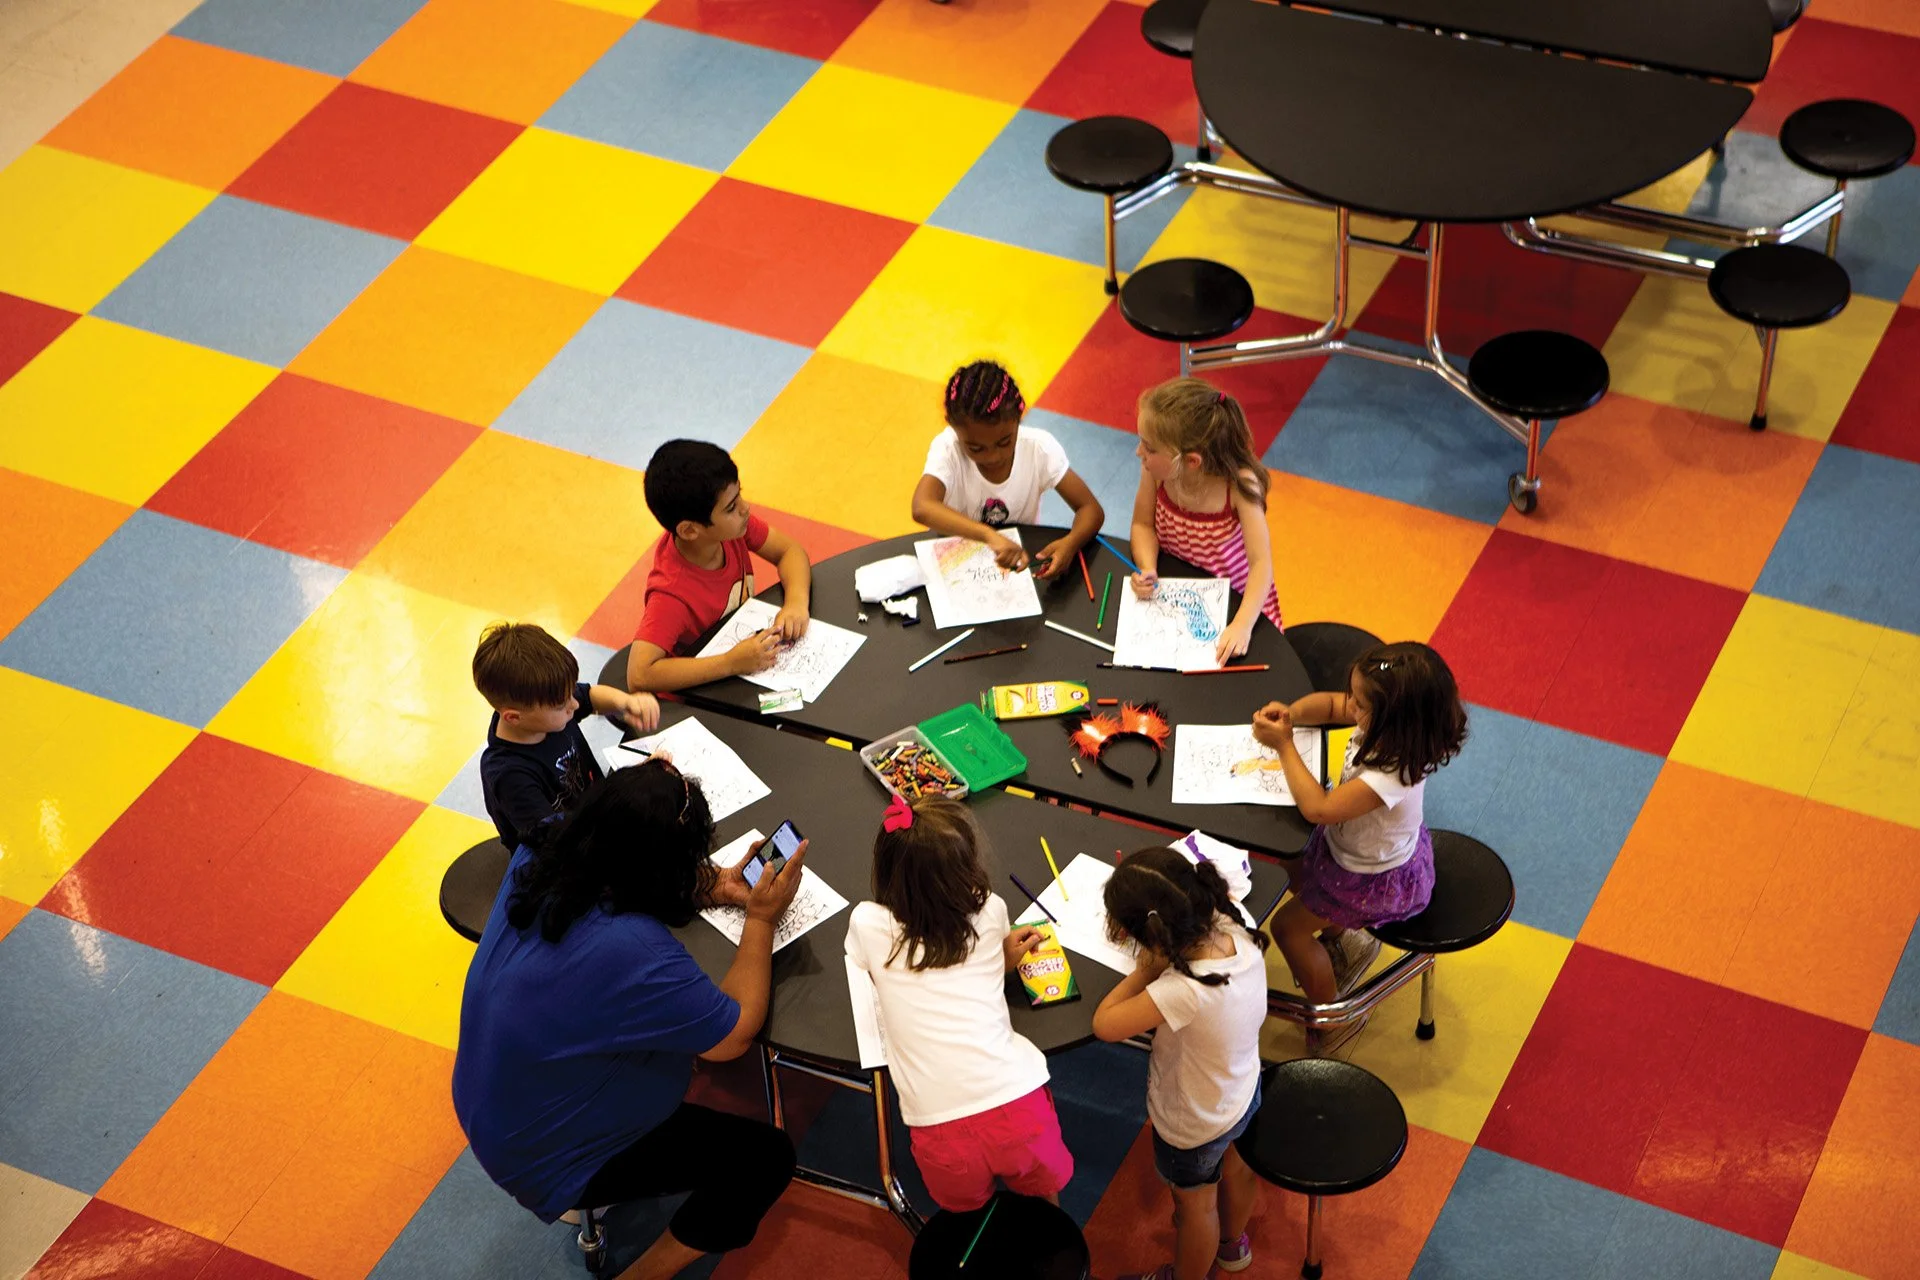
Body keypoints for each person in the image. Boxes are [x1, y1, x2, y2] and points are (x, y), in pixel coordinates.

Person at [452, 762, 802, 1280]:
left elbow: (622, 872)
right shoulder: (633, 950)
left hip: (488, 1098)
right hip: (547, 1154)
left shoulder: (547, 843)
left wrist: (715, 883)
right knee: (765, 1159)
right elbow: (730, 1039)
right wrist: (760, 919)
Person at [843, 795, 1074, 1211]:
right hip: (1017, 1105)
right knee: (1043, 1204)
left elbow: (870, 965)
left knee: (967, 1213)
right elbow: (973, 961)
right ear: (967, 870)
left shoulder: (867, 923)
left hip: (938, 1124)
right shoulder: (990, 912)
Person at [1252, 640, 1468, 1054]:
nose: (1350, 707)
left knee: (1285, 929)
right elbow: (1333, 707)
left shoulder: (1392, 772)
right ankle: (1339, 933)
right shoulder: (1388, 724)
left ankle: (1332, 1017)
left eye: (1361, 705)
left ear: (1394, 721)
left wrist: (1284, 746)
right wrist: (1293, 715)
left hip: (1373, 879)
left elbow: (1318, 809)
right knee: (1286, 856)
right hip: (1353, 850)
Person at [1092, 849, 1269, 1280]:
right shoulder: (1235, 925)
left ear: (1154, 938)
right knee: (1238, 1167)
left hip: (1193, 1122)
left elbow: (1105, 1025)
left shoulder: (1182, 989)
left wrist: (1145, 971)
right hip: (1242, 1090)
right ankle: (1233, 1246)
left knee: (1195, 1208)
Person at [627, 439, 812, 693]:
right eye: (731, 507)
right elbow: (639, 674)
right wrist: (730, 663)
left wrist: (796, 603)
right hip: (703, 698)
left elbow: (790, 551)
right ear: (690, 530)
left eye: (740, 496)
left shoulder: (731, 531)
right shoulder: (671, 595)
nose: (746, 509)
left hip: (744, 670)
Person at [1128, 378, 1282, 664]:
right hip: (1176, 595)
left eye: (1148, 447)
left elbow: (1262, 564)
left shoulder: (1238, 485)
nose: (1139, 452)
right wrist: (1147, 566)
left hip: (1238, 603)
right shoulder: (1155, 471)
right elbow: (1142, 525)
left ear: (1191, 462)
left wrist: (1242, 625)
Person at [911, 359, 1106, 580]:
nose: (993, 456)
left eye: (1004, 442)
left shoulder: (1039, 448)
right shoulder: (948, 447)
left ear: (1018, 419)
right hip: (953, 564)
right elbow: (922, 507)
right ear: (954, 429)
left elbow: (1091, 509)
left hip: (1017, 566)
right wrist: (988, 535)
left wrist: (1070, 544)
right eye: (975, 448)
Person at [472, 621, 659, 851]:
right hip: (563, 854)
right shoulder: (510, 775)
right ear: (513, 717)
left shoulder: (545, 708)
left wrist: (626, 702)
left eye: (570, 694)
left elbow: (590, 695)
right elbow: (556, 844)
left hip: (594, 818)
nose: (575, 704)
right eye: (563, 704)